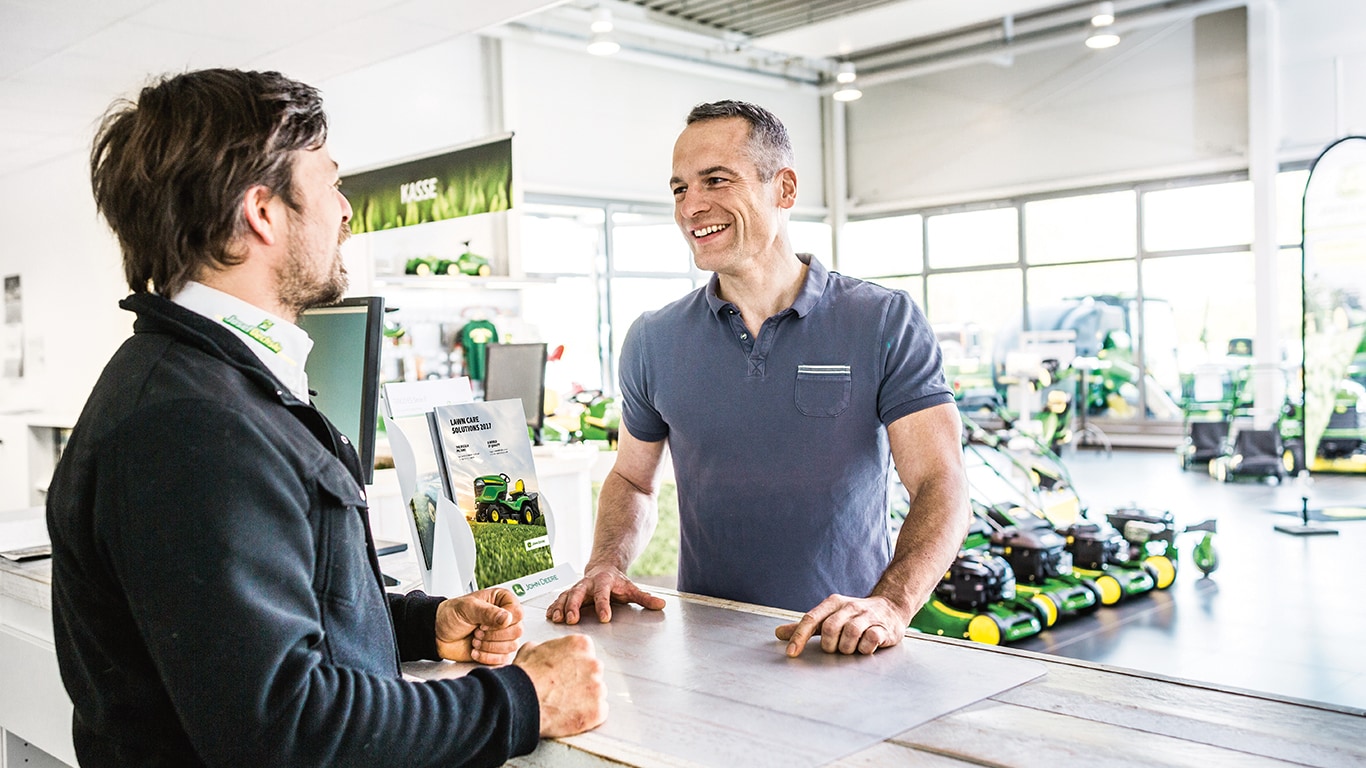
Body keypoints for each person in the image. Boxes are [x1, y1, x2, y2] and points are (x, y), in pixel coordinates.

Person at [46, 69, 605, 767]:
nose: (346, 212)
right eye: (332, 184)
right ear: (262, 212)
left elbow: (274, 621)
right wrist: (524, 700)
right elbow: (285, 727)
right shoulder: (190, 423)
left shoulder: (220, 386)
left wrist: (424, 623)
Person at [547, 100, 970, 658]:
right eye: (679, 189)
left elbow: (942, 483)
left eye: (715, 181)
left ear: (784, 189)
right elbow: (631, 480)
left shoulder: (882, 320)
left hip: (845, 644)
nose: (691, 207)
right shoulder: (654, 338)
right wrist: (606, 563)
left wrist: (890, 604)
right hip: (704, 647)